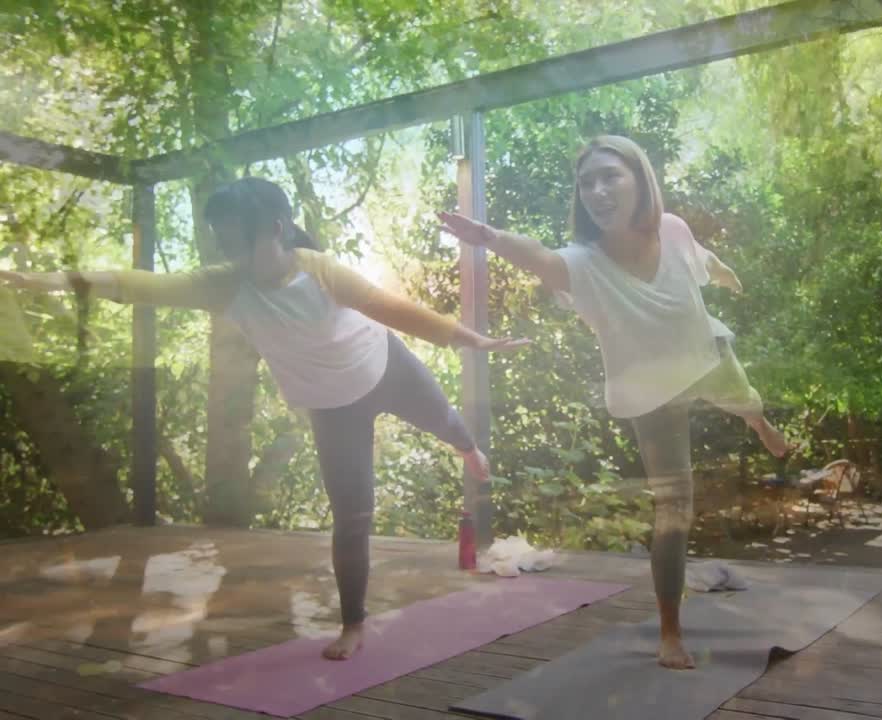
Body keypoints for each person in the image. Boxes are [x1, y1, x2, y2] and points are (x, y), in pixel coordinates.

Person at [0, 176, 529, 661]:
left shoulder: (320, 271)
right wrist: (37, 280)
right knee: (352, 516)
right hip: (331, 405)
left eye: (237, 241)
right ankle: (354, 623)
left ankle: (466, 448)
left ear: (276, 229)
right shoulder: (224, 286)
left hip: (386, 366)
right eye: (221, 243)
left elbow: (400, 312)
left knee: (452, 427)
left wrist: (474, 340)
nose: (229, 255)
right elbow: (130, 283)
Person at [437, 135, 788, 670]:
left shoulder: (671, 229)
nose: (597, 190)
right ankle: (671, 632)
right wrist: (486, 236)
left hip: (704, 354)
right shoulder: (581, 263)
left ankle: (759, 424)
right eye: (587, 182)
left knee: (745, 399)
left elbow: (700, 257)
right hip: (651, 393)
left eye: (610, 176)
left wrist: (720, 272)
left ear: (639, 179)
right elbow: (538, 256)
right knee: (675, 511)